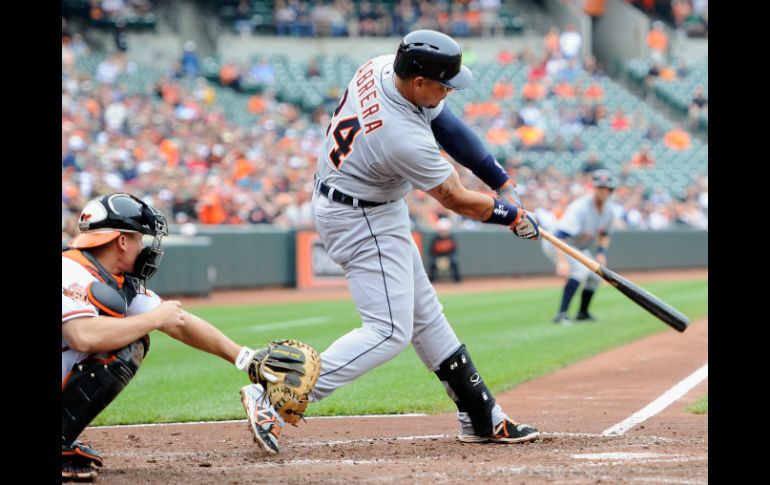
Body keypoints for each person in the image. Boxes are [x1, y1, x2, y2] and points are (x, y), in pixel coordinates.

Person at [240, 29, 541, 453]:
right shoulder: (400, 134)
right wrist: (512, 216)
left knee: (424, 313)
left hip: (363, 200)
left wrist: (502, 183)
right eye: (444, 85)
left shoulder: (385, 67)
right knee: (389, 330)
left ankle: (480, 414)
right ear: (419, 83)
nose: (449, 93)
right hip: (360, 215)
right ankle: (273, 396)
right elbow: (455, 197)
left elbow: (450, 128)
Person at [62, 193, 268, 480]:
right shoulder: (69, 270)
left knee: (132, 337)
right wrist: (152, 320)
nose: (143, 246)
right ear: (122, 241)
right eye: (139, 238)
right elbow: (81, 335)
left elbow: (179, 322)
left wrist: (247, 359)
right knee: (126, 343)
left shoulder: (113, 280)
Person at [542, 170, 619, 324]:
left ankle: (583, 313)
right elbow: (560, 236)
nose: (603, 191)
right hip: (557, 243)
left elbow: (604, 234)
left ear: (611, 191)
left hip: (577, 247)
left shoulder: (609, 210)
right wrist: (562, 261)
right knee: (580, 269)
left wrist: (601, 253)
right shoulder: (580, 207)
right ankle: (561, 314)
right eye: (600, 187)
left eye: (606, 188)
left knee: (597, 275)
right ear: (594, 188)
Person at [429, 218, 461, 283]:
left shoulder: (451, 238)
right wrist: (438, 259)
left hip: (448, 257)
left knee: (454, 261)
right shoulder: (435, 239)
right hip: (437, 257)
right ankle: (431, 280)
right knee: (432, 263)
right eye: (442, 231)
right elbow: (431, 252)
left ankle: (457, 280)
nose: (444, 233)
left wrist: (447, 258)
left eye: (445, 231)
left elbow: (454, 251)